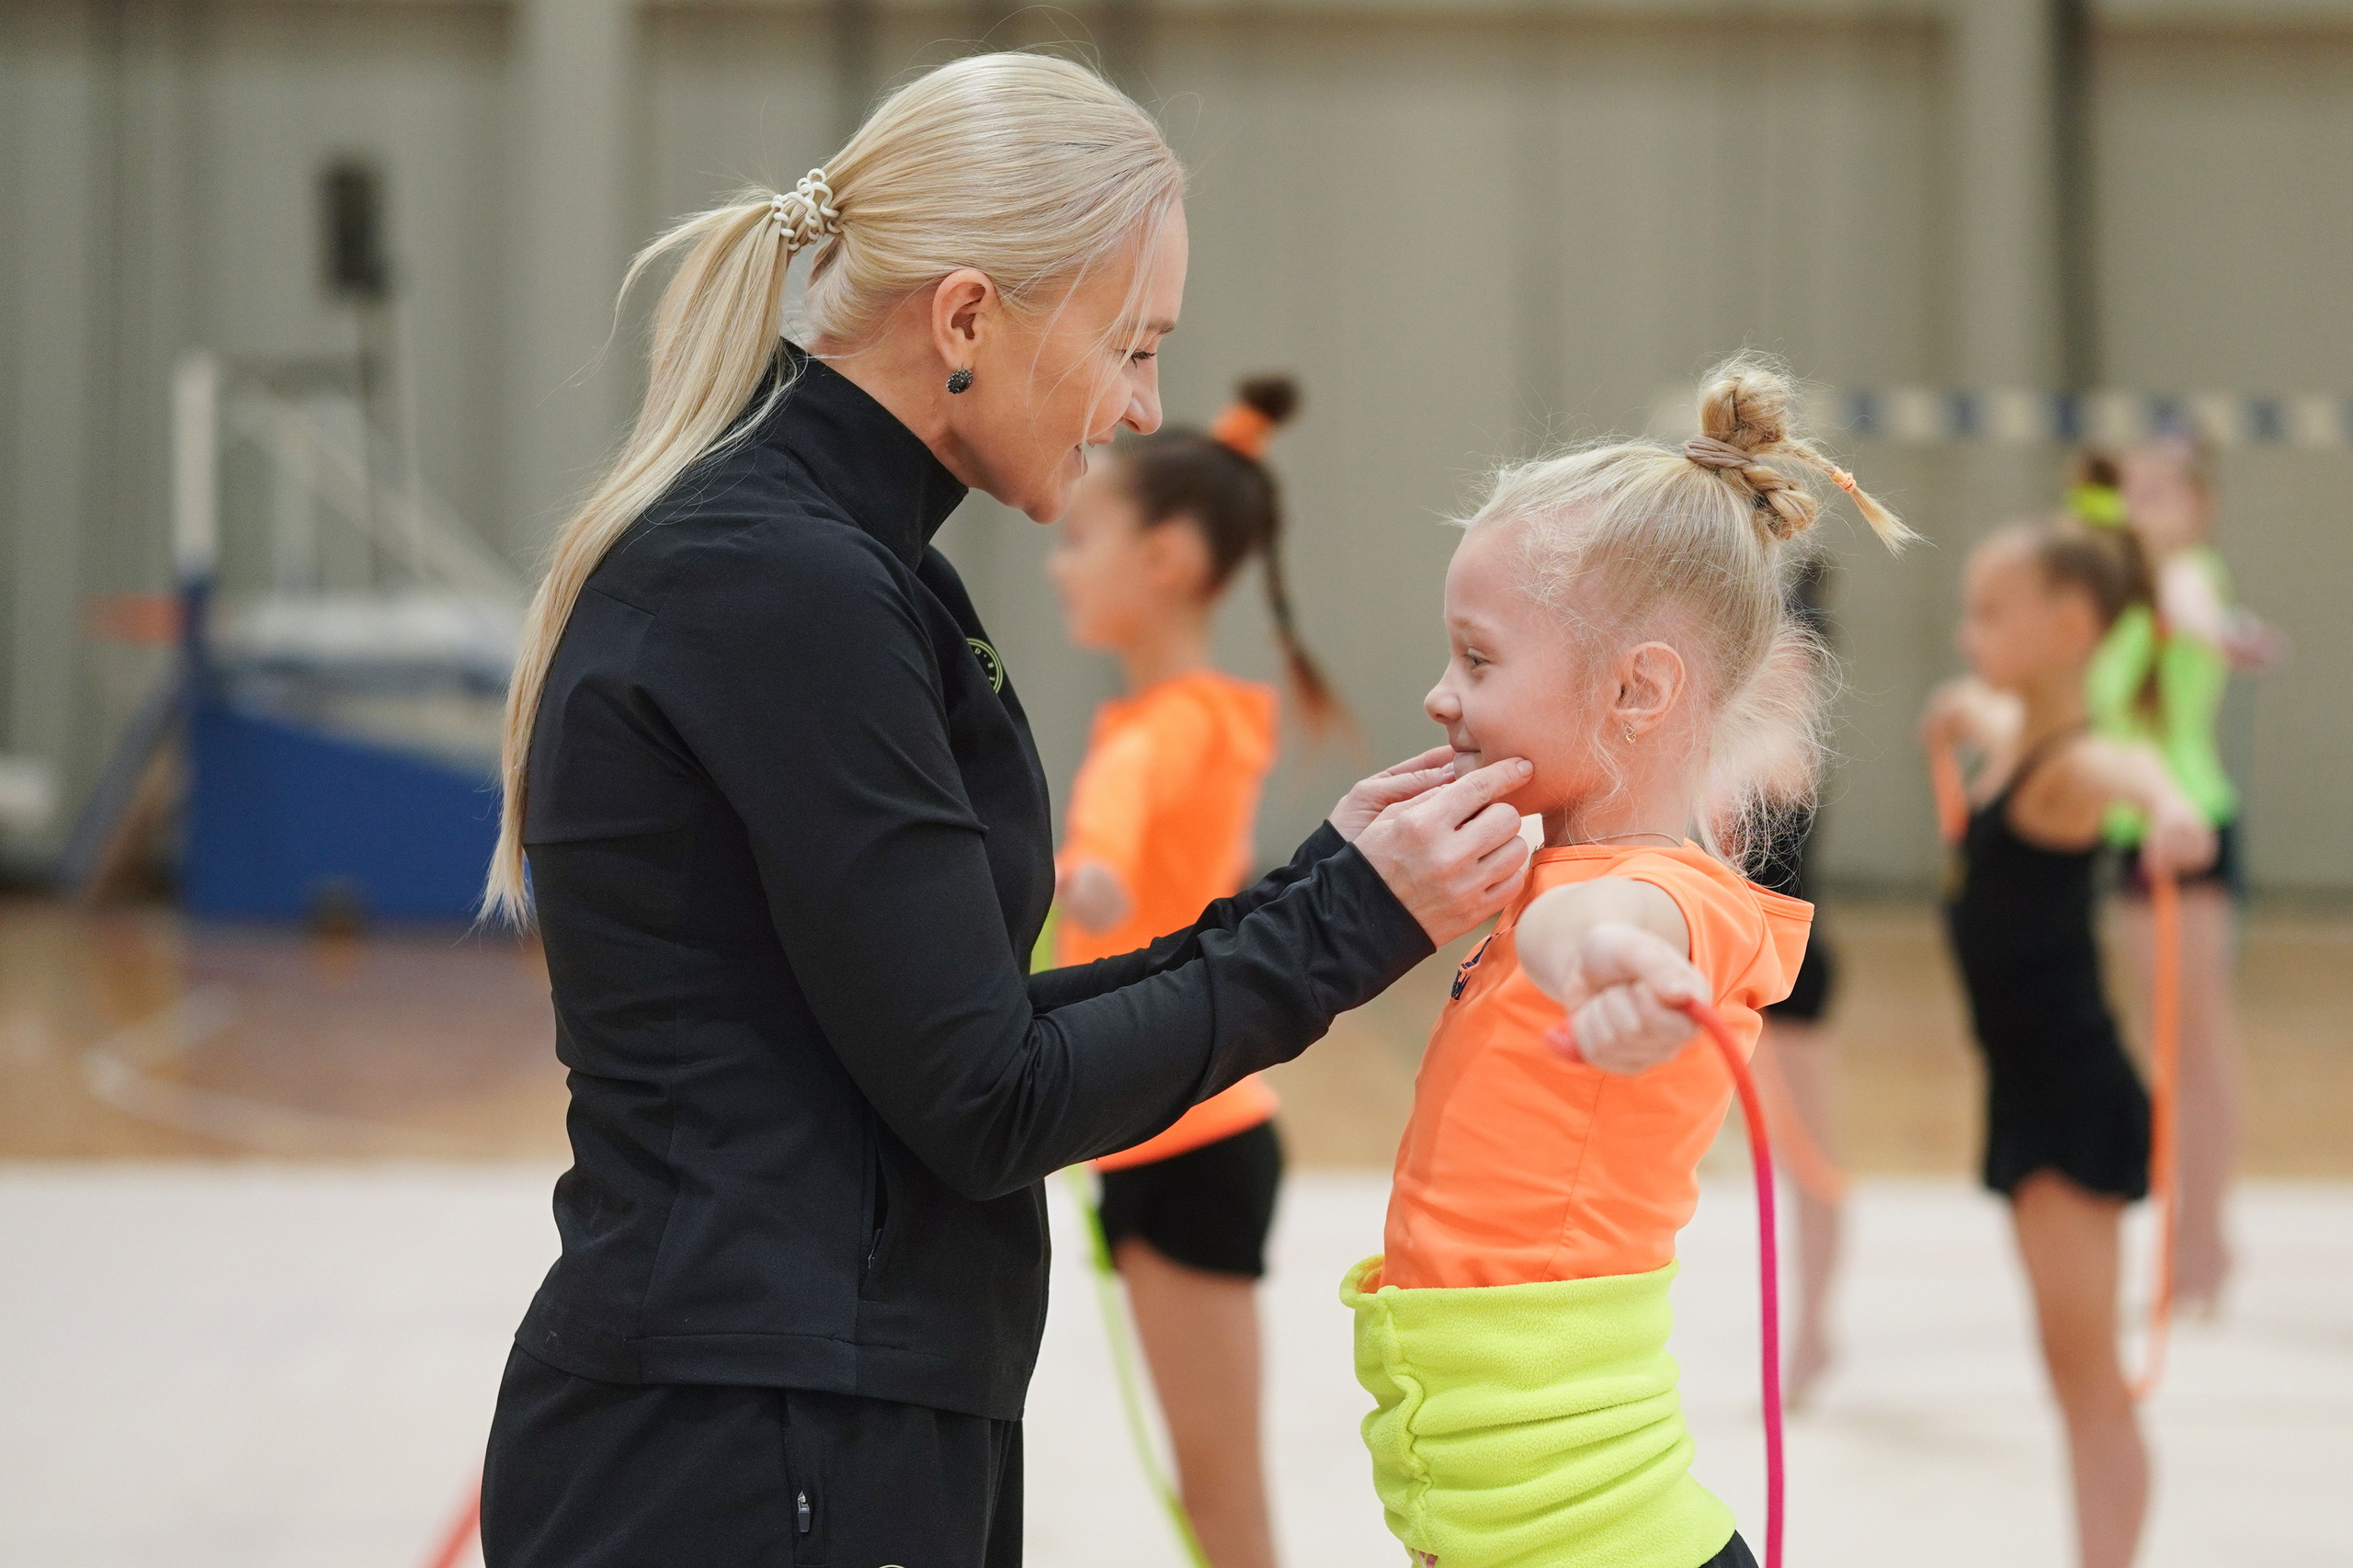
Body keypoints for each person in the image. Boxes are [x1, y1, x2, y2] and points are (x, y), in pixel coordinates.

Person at [472, 54, 1537, 1568]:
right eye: (1132, 344)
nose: (1147, 403)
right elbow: (992, 1099)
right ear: (967, 316)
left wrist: (1334, 888)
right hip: (750, 1442)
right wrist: (1351, 927)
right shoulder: (788, 580)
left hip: (830, 1408)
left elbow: (975, 1024)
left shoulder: (866, 568)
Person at [1344, 357, 1909, 1568]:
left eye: (1479, 661)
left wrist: (1610, 960)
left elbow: (1612, 926)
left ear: (1637, 689)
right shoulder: (1560, 873)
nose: (1441, 696)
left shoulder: (1655, 898)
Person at [1046, 373, 1334, 1568]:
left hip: (1189, 1133)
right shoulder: (1205, 714)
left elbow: (1116, 822)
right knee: (1216, 1491)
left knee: (1221, 1499)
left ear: (1166, 557)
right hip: (1174, 1122)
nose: (1061, 563)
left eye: (1080, 538)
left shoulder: (1167, 727)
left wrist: (1090, 872)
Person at [1922, 522, 2216, 1568]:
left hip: (2068, 1096)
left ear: (2067, 629)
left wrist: (2170, 802)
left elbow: (2127, 764)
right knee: (2068, 1373)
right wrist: (1963, 713)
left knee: (2090, 1382)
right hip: (2023, 1091)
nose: (1966, 629)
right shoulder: (2011, 733)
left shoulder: (2068, 763)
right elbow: (1990, 708)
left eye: (1988, 613)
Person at [2087, 434, 2284, 1314]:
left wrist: (2228, 635)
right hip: (2137, 837)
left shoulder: (2188, 577)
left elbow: (2196, 608)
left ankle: (2201, 1244)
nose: (2144, 508)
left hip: (2188, 832)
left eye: (2164, 494)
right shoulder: (2122, 598)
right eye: (2133, 493)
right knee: (2167, 1046)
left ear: (2199, 507)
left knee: (2194, 1047)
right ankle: (2192, 1241)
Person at [1747, 556, 1847, 1410]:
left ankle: (1814, 1326)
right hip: (1719, 967)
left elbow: (1779, 780)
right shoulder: (1729, 729)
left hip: (1786, 972)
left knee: (1809, 1157)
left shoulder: (1787, 746)